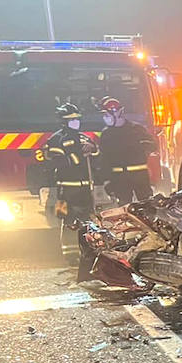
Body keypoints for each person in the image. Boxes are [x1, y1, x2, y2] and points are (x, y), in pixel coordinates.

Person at [44, 103, 99, 263]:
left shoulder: (84, 137)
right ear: (64, 122)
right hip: (66, 189)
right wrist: (79, 156)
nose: (76, 122)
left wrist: (93, 149)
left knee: (88, 220)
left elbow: (96, 155)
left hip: (85, 188)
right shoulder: (56, 140)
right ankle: (70, 255)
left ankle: (88, 253)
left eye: (77, 119)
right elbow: (56, 162)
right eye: (72, 120)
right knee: (67, 221)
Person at [97, 97, 156, 205]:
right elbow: (104, 159)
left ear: (118, 112)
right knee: (124, 209)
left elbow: (153, 146)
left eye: (107, 114)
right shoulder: (106, 134)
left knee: (147, 206)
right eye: (104, 115)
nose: (105, 118)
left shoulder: (137, 129)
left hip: (140, 176)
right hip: (119, 179)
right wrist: (106, 180)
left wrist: (141, 146)